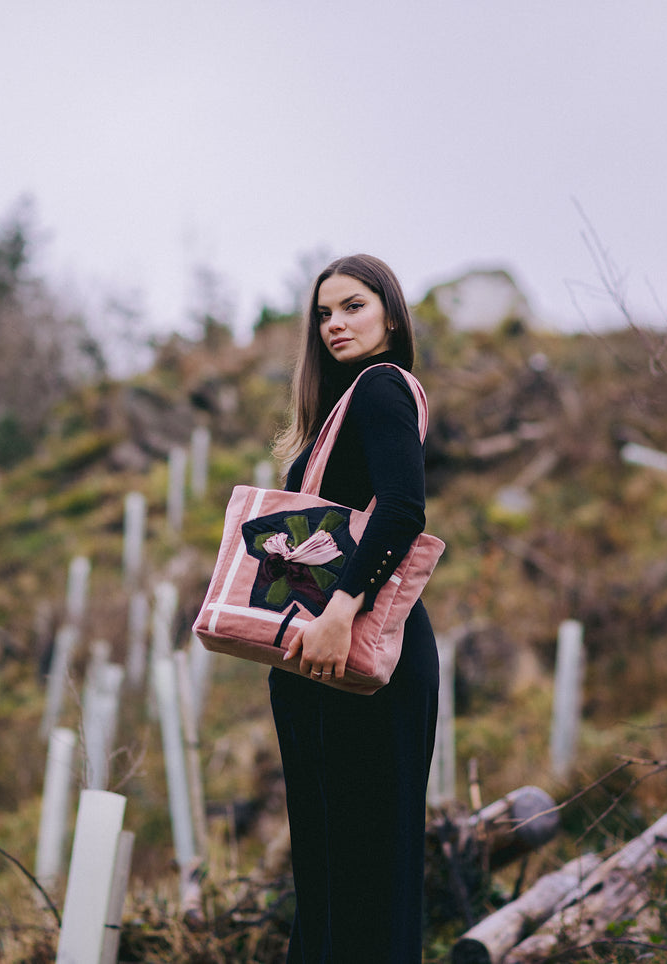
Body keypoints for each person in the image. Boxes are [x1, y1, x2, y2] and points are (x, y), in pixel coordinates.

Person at [269, 253, 438, 962]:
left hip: (359, 647)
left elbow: (402, 507)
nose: (334, 324)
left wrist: (340, 607)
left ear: (390, 316)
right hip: (317, 655)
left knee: (364, 865)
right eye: (323, 314)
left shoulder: (378, 388)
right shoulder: (337, 409)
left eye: (352, 307)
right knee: (330, 866)